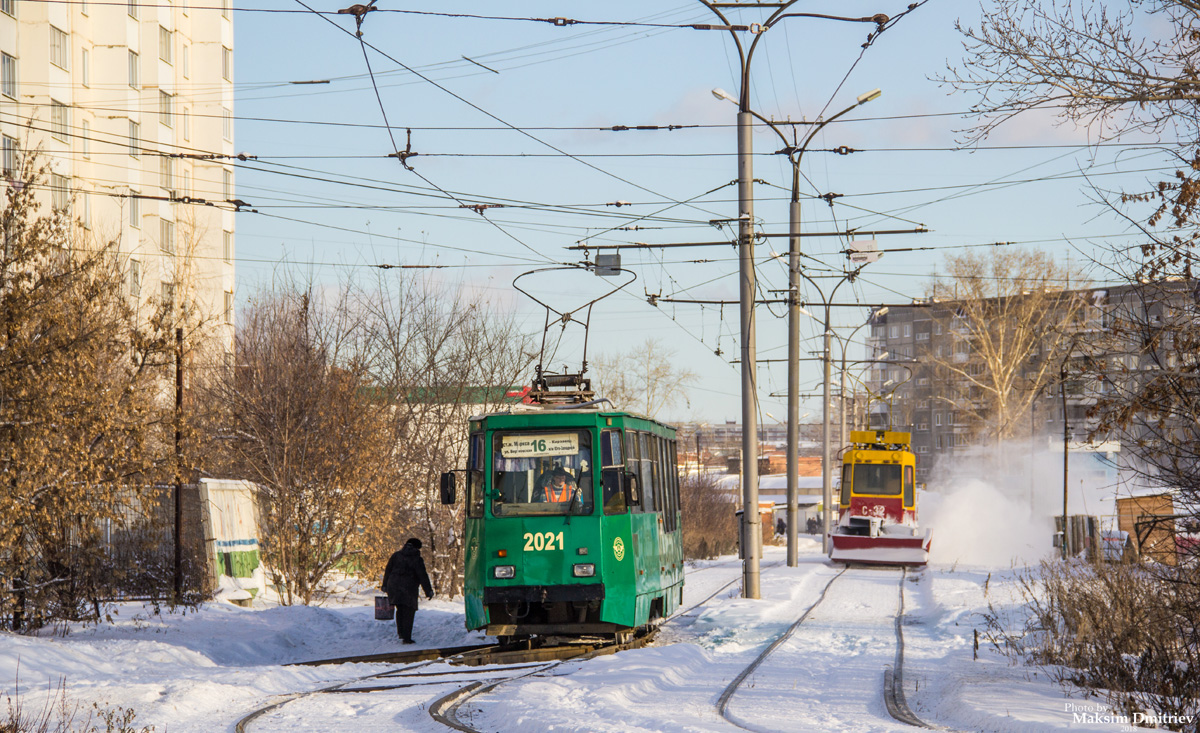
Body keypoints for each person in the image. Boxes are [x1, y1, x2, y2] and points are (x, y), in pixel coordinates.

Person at [382, 537, 433, 644]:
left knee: (400, 609)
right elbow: (422, 575)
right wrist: (428, 590)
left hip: (394, 587)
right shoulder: (416, 559)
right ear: (417, 548)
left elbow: (388, 570)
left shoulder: (396, 555)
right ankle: (406, 637)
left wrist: (385, 585)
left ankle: (401, 633)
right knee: (409, 611)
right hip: (408, 588)